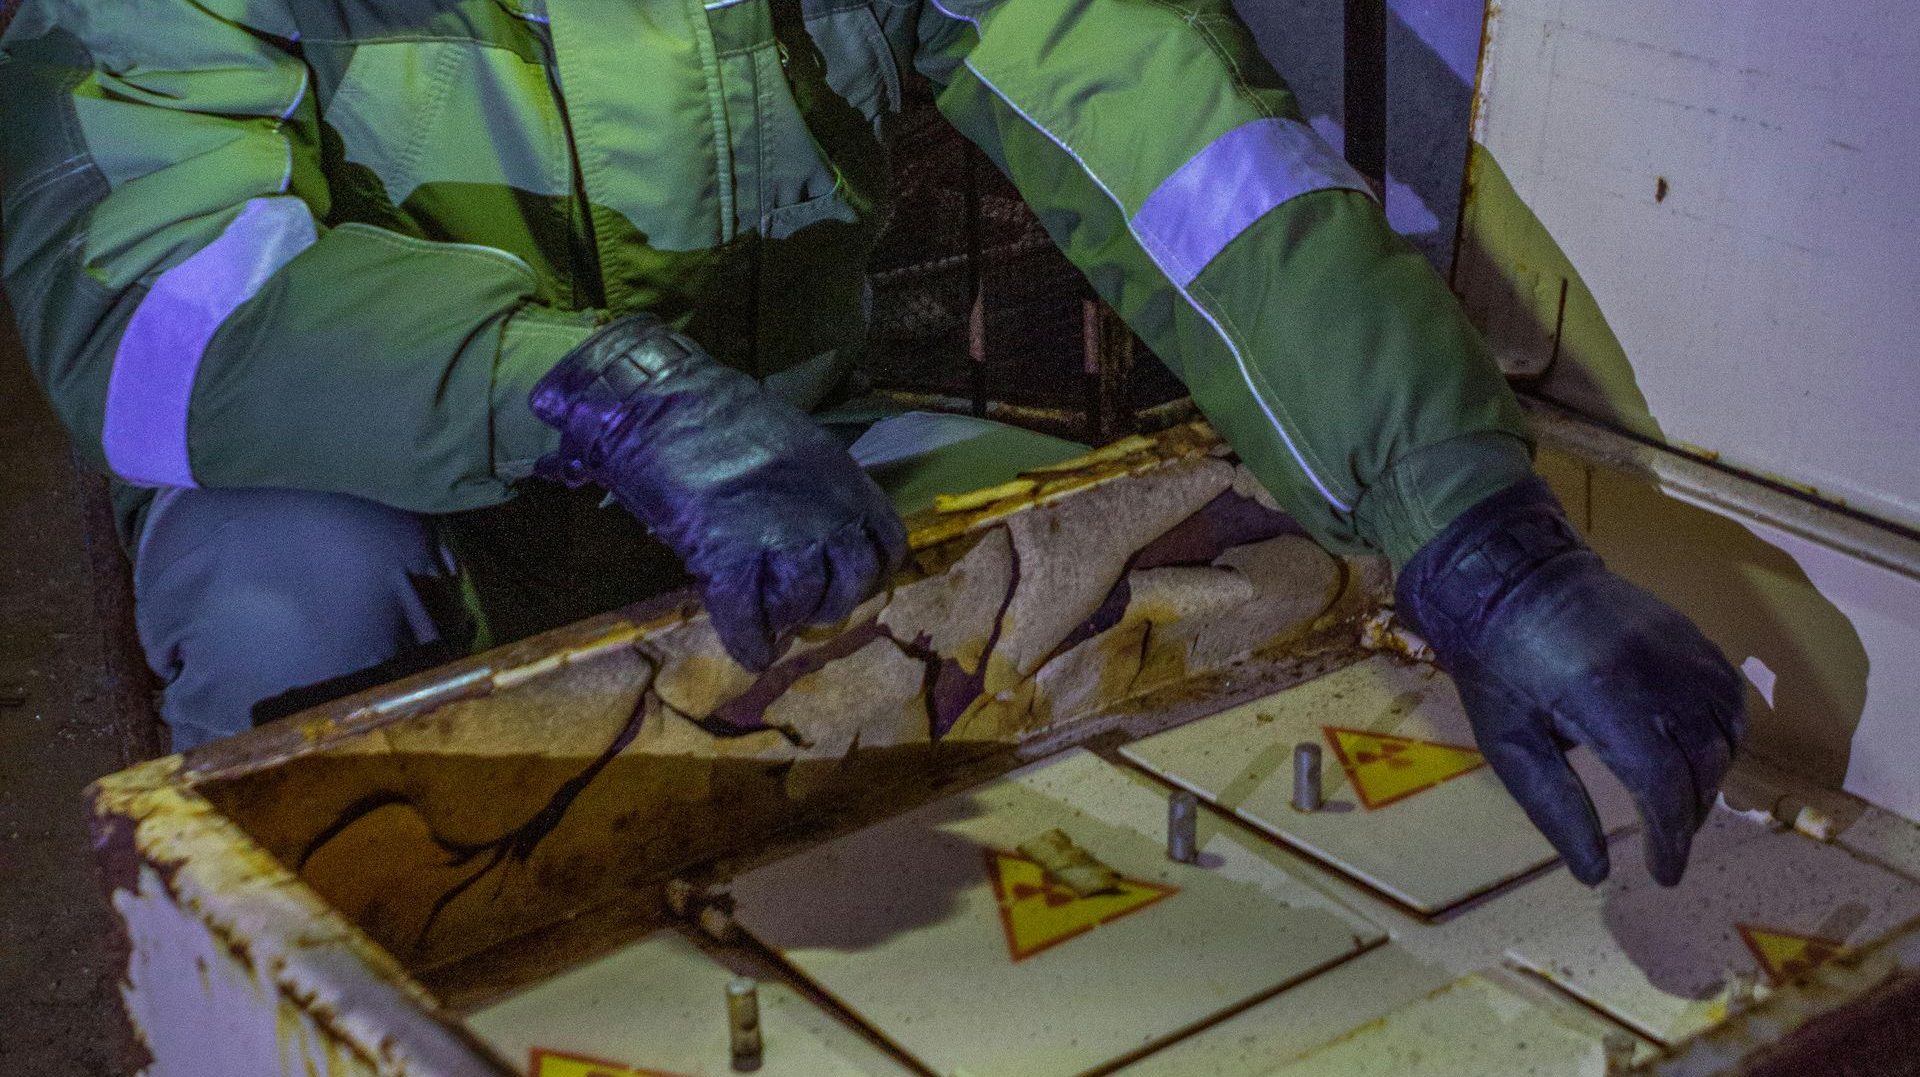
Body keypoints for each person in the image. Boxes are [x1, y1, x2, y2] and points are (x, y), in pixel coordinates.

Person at [0, 0, 1740, 885]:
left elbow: (1169, 131)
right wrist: (596, 391)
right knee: (283, 603)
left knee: (1159, 577)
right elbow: (149, 297)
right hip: (390, 480)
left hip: (781, 453)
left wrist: (1470, 528)